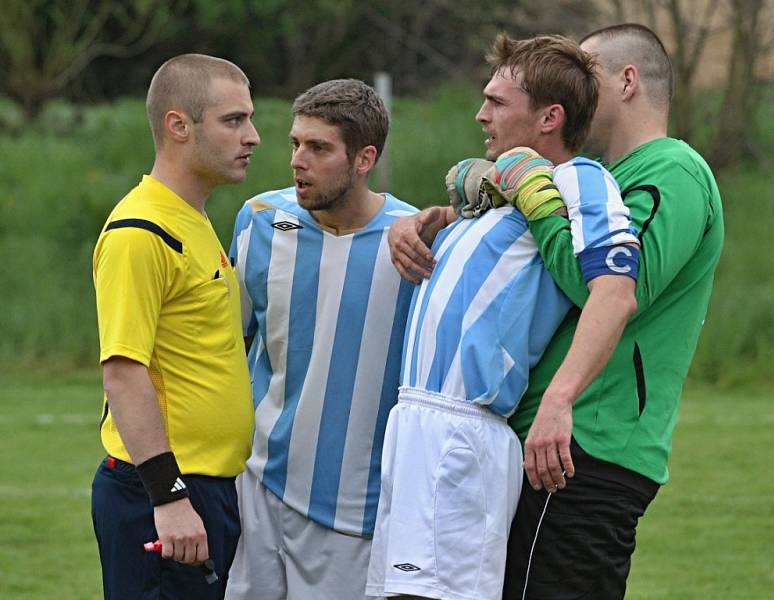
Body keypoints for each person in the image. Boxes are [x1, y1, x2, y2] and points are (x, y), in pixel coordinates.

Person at [390, 24, 725, 599]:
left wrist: (537, 200)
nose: (571, 93)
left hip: (588, 446)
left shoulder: (670, 170)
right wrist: (445, 218)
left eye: (584, 74)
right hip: (543, 443)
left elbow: (608, 284)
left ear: (626, 82)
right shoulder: (593, 177)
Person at [367, 35, 640, 600]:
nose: (480, 113)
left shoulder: (578, 180)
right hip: (414, 425)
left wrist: (560, 400)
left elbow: (614, 293)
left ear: (549, 118)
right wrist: (429, 222)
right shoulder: (501, 189)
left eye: (497, 101)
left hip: (460, 433)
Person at [224, 79, 418, 600]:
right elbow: (231, 346)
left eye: (319, 148)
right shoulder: (260, 221)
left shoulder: (415, 243)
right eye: (295, 144)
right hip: (256, 490)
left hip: (355, 507)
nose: (297, 161)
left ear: (364, 159)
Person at [91, 54, 259, 599]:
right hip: (162, 494)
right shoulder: (142, 230)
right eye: (233, 121)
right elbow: (122, 374)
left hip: (205, 489)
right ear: (178, 126)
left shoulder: (193, 219)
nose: (252, 136)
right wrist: (168, 497)